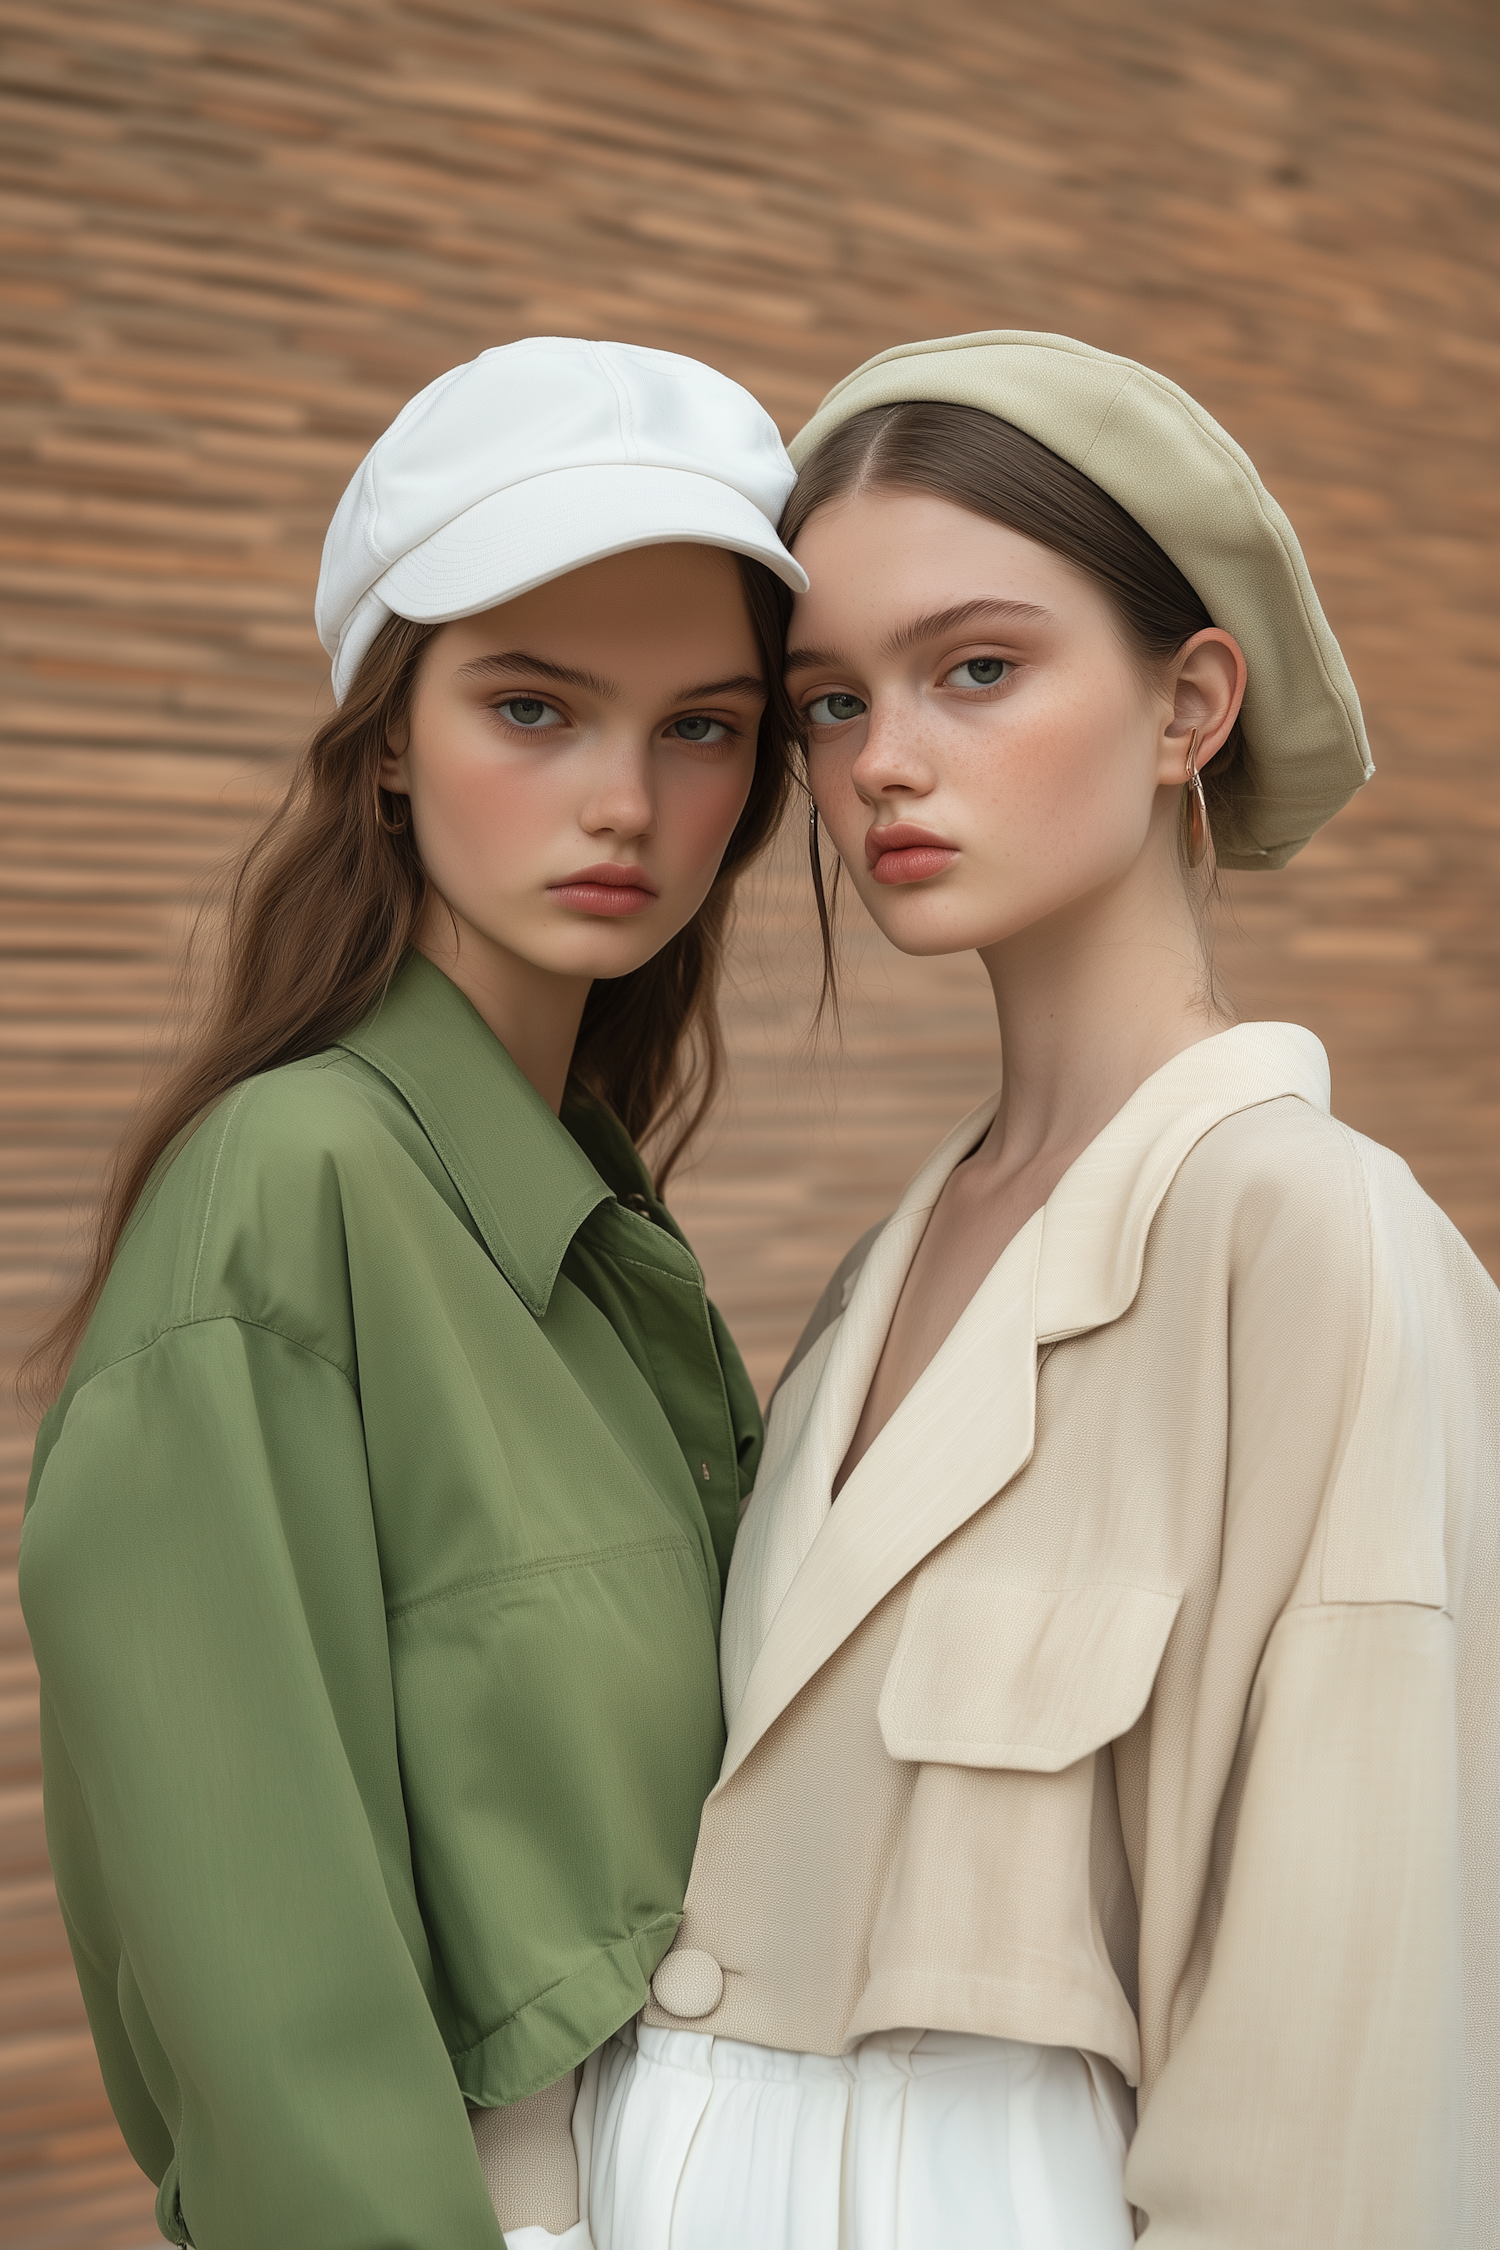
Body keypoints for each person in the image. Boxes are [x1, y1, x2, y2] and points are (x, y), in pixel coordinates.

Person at [579, 334, 1500, 2249]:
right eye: (828, 702)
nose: (883, 760)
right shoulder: (874, 1280)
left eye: (977, 667)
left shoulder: (1312, 1243)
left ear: (1191, 703)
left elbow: (1345, 2059)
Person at [19, 336, 809, 2250]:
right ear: (387, 733)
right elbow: (263, 1999)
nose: (623, 799)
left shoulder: (601, 1230)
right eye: (533, 707)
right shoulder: (289, 1195)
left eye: (700, 726)